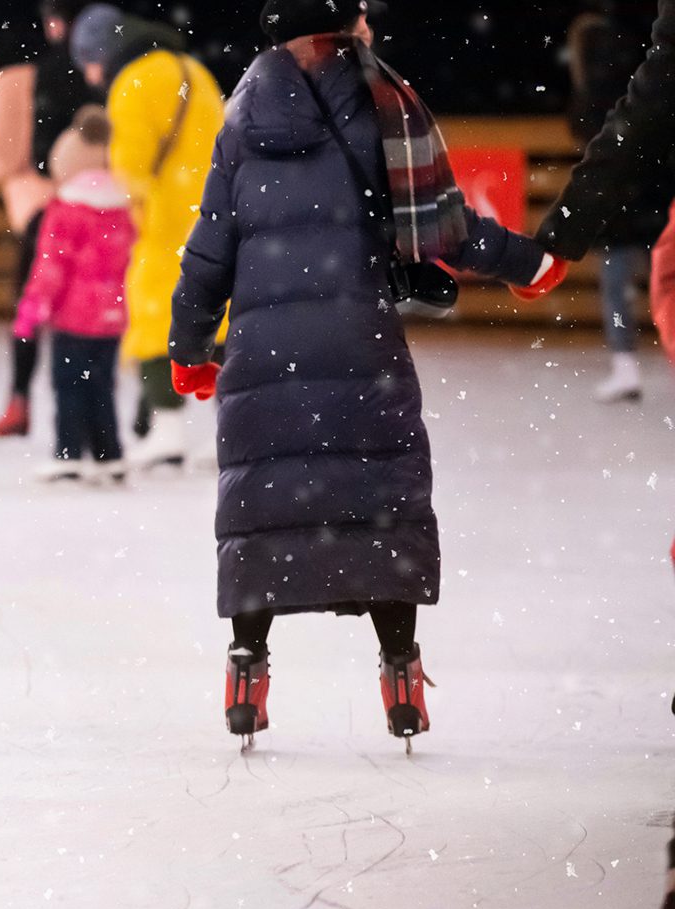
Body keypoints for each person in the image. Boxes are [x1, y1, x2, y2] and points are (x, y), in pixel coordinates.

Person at [167, 0, 558, 750]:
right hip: (358, 344)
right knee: (378, 505)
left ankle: (247, 669)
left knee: (264, 509)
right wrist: (526, 261)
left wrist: (189, 349)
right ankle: (401, 672)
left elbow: (207, 252)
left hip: (263, 354)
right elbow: (445, 225)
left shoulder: (241, 118)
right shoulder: (383, 105)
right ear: (342, 27)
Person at [70, 3, 226, 469]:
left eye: (90, 62)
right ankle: (233, 428)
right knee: (221, 321)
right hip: (218, 215)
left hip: (163, 220)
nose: (92, 75)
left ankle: (166, 430)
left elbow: (131, 166)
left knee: (157, 322)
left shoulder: (133, 82)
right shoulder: (194, 71)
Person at [0, 0, 98, 439]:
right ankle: (121, 414)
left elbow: (4, 155)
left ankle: (22, 402)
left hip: (44, 210)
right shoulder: (76, 69)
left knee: (30, 310)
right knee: (93, 311)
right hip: (94, 205)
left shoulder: (10, 80)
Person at [11, 106, 134, 481]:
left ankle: (68, 453)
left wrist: (30, 311)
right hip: (111, 318)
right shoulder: (123, 208)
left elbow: (50, 268)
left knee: (68, 386)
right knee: (101, 385)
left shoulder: (64, 210)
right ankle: (107, 453)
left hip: (73, 318)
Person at [564, 2, 667, 402]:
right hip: (657, 189)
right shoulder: (656, 49)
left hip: (624, 193)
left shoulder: (605, 48)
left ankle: (625, 365)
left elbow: (588, 122)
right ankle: (625, 366)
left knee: (617, 281)